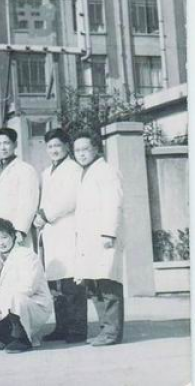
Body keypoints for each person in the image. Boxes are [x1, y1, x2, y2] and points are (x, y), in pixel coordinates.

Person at [33, 128, 87, 344]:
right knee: (57, 283)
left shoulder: (74, 169)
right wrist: (40, 216)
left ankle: (77, 329)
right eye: (50, 146)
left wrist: (45, 215)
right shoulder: (47, 172)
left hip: (67, 228)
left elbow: (70, 199)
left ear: (66, 146)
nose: (54, 150)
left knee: (72, 282)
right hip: (51, 232)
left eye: (57, 145)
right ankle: (62, 326)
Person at [0, 218, 53, 354]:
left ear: (13, 236)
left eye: (5, 237)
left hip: (33, 303)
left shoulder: (26, 255)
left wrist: (3, 300)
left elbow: (28, 287)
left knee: (15, 299)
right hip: (8, 304)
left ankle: (22, 339)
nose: (1, 242)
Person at [73, 132, 124, 347]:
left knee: (108, 284)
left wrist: (109, 233)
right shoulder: (85, 172)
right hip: (89, 239)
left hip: (103, 237)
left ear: (96, 148)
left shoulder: (106, 171)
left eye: (85, 149)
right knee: (94, 284)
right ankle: (105, 329)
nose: (81, 154)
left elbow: (114, 203)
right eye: (77, 150)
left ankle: (112, 332)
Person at [0, 128, 39, 249]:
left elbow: (29, 202)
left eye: (6, 143)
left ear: (15, 144)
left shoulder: (25, 170)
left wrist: (20, 230)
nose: (3, 147)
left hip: (16, 231)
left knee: (20, 259)